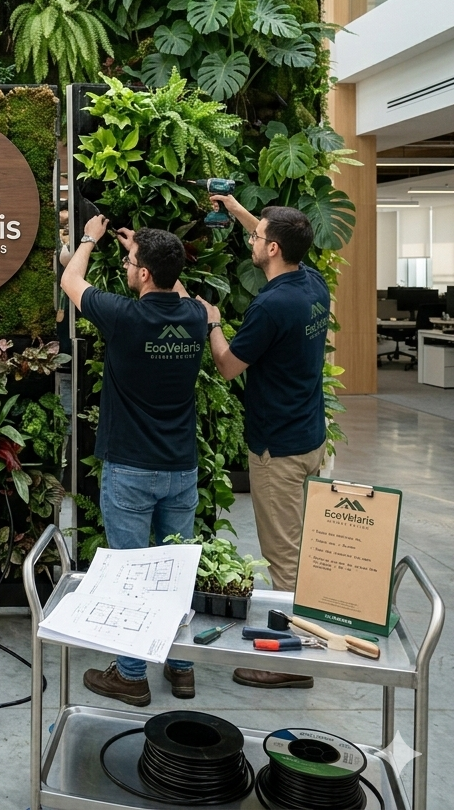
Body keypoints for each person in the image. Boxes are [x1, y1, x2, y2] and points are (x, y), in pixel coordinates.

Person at [61, 216, 208, 706]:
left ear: (143, 274)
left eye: (130, 264)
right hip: (180, 467)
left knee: (130, 575)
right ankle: (181, 668)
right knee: (176, 573)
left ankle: (130, 675)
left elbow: (70, 280)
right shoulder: (196, 316)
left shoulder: (124, 316)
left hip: (130, 468)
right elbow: (176, 288)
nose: (126, 267)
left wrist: (90, 238)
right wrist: (148, 249)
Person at [198, 199, 329, 691]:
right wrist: (236, 209)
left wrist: (212, 321)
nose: (251, 240)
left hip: (279, 450)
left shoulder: (271, 306)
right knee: (301, 550)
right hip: (310, 438)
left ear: (273, 249)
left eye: (257, 237)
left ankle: (291, 662)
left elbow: (229, 366)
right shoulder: (312, 284)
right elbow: (274, 236)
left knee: (284, 559)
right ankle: (302, 640)